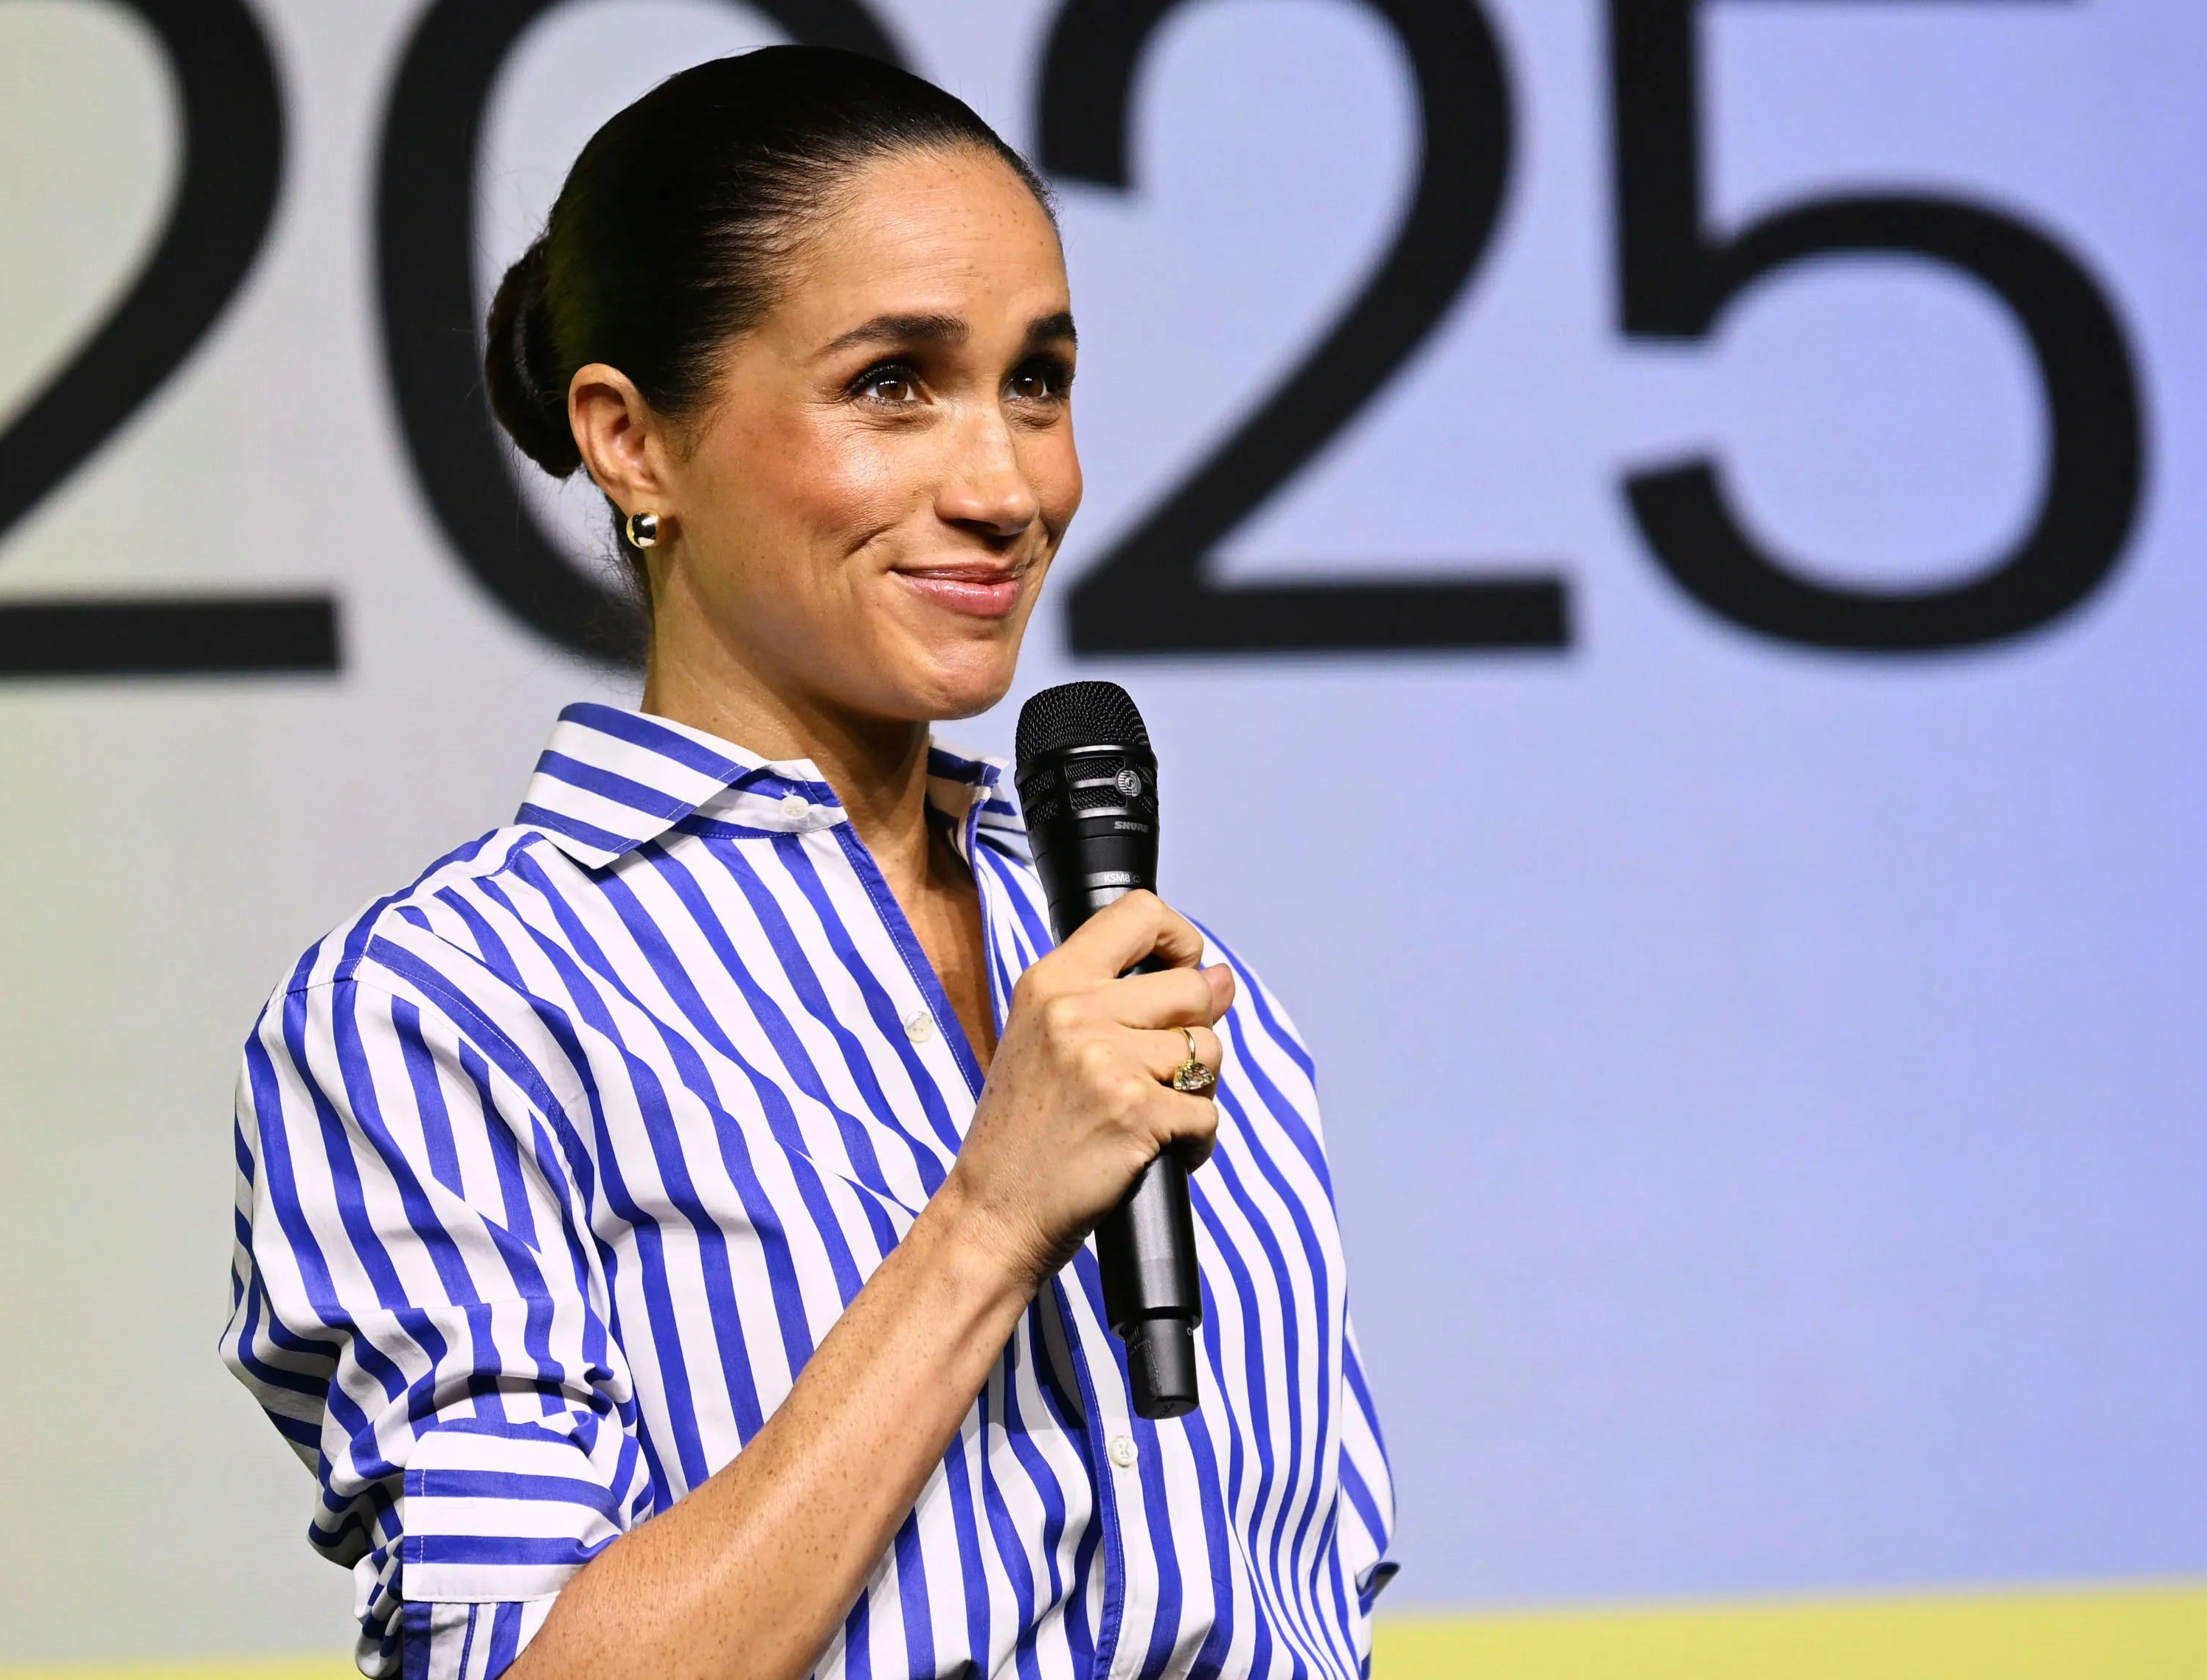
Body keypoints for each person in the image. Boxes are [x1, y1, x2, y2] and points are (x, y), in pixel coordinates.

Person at [222, 46, 1394, 1680]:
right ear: (633, 443)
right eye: (893, 384)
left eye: (1037, 381)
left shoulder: (1155, 984)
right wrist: (989, 1218)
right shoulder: (451, 1006)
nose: (1006, 487)